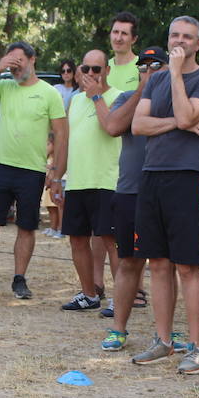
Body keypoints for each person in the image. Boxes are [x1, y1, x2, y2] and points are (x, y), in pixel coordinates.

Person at [128, 16, 199, 374]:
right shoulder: (156, 80)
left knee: (187, 264)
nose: (179, 43)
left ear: (198, 43)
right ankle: (164, 340)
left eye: (187, 37)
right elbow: (139, 126)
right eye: (174, 36)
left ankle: (197, 347)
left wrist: (179, 75)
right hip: (153, 174)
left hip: (189, 176)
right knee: (158, 263)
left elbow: (187, 114)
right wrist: (177, 123)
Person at [0, 41, 67, 300]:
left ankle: (19, 278)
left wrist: (56, 171)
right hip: (1, 165)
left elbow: (60, 134)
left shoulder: (49, 93)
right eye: (10, 63)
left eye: (18, 62)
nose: (14, 68)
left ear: (32, 59)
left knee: (26, 226)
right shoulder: (4, 86)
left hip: (32, 170)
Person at [100, 46, 167, 352]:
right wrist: (143, 88)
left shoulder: (175, 99)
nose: (149, 70)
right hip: (129, 191)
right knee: (129, 262)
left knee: (166, 264)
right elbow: (113, 126)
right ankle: (118, 329)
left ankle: (165, 333)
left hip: (166, 189)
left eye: (156, 65)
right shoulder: (129, 98)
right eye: (143, 66)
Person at [59, 49, 122, 311]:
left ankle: (121, 298)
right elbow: (66, 140)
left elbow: (110, 128)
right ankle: (89, 294)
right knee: (77, 239)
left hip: (108, 181)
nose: (91, 74)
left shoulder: (119, 97)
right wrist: (57, 177)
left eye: (97, 69)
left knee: (111, 242)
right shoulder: (74, 100)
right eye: (86, 69)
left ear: (107, 70)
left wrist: (96, 96)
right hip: (77, 181)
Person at [107, 12, 141, 94]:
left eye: (124, 33)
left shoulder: (143, 67)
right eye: (115, 32)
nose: (118, 38)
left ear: (134, 39)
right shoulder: (103, 68)